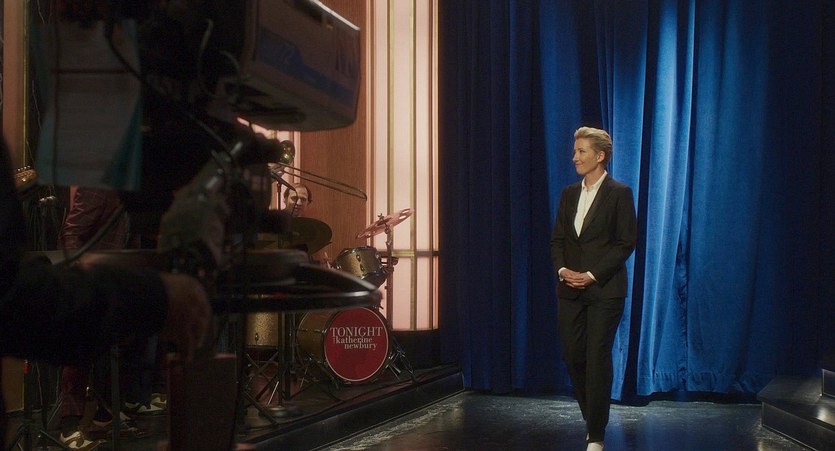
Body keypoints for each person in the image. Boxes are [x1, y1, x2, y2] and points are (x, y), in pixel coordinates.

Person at [0, 138, 213, 447]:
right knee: (78, 352)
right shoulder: (98, 185)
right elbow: (71, 232)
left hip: (105, 275)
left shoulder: (128, 190)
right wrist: (82, 273)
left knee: (121, 345)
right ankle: (70, 424)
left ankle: (107, 411)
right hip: (90, 274)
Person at [550, 126, 637, 451]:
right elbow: (558, 239)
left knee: (597, 356)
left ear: (600, 156)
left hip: (605, 291)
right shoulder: (569, 194)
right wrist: (563, 270)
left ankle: (596, 435)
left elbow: (625, 242)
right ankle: (594, 419)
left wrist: (591, 274)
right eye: (575, 151)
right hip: (570, 289)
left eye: (581, 151)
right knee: (574, 356)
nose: (575, 157)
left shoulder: (619, 193)